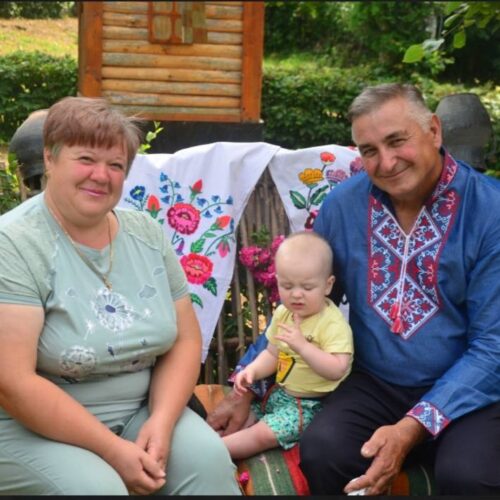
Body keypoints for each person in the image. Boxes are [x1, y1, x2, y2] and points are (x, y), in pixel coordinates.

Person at [207, 83, 500, 495]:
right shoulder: (344, 206)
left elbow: (493, 346)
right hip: (376, 382)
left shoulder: (490, 211)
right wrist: (246, 388)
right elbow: (301, 305)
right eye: (369, 150)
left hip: (469, 393)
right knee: (324, 451)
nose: (387, 162)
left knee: (469, 475)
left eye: (397, 141)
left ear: (434, 131)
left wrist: (413, 426)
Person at [0, 96, 241, 496]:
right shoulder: (13, 244)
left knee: (208, 462)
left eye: (115, 165)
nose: (101, 175)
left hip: (140, 411)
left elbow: (184, 340)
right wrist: (113, 450)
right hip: (27, 426)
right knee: (98, 488)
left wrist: (161, 422)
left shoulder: (146, 234)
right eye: (85, 159)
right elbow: (12, 382)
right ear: (49, 158)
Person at [222, 231, 353, 459]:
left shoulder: (331, 323)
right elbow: (272, 353)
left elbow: (337, 369)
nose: (296, 294)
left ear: (328, 285)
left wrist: (303, 346)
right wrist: (253, 371)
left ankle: (215, 452)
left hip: (310, 405)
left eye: (307, 288)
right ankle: (211, 442)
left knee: (261, 435)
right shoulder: (284, 313)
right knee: (242, 420)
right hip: (279, 394)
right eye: (287, 285)